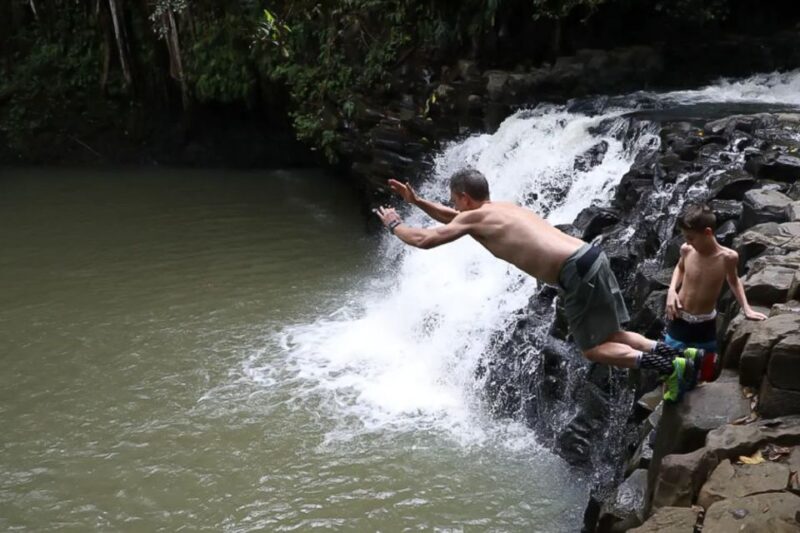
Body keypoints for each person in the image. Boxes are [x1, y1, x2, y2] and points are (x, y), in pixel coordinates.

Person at [375, 168, 712, 402]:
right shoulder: (500, 209)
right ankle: (688, 355)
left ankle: (669, 366)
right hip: (591, 257)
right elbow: (454, 219)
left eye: (453, 200)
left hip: (575, 273)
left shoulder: (474, 217)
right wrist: (417, 201)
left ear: (463, 197)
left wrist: (395, 223)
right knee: (616, 337)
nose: (452, 206)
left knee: (593, 350)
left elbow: (422, 240)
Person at [665, 203, 767, 379]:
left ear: (707, 233)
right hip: (680, 317)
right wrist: (671, 290)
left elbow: (734, 281)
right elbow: (680, 268)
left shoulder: (727, 257)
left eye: (690, 237)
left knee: (706, 368)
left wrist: (746, 308)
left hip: (705, 322)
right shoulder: (687, 250)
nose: (687, 242)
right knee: (671, 364)